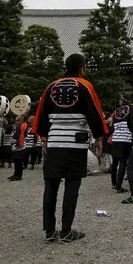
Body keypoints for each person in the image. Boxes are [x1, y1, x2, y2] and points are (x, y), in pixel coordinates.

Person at [33, 53, 108, 243]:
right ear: (82, 68)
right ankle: (66, 231)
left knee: (51, 186)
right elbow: (94, 112)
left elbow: (41, 113)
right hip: (75, 142)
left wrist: (43, 138)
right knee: (72, 186)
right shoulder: (84, 86)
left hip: (54, 140)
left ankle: (49, 231)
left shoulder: (51, 86)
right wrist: (99, 137)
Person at [109, 97, 133, 193]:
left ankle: (114, 183)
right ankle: (118, 186)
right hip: (126, 138)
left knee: (114, 162)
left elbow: (112, 124)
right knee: (123, 162)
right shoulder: (131, 109)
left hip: (116, 137)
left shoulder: (116, 111)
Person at [9, 114, 28, 181]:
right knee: (16, 161)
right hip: (16, 145)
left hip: (19, 146)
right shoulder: (18, 124)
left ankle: (18, 176)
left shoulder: (23, 125)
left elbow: (21, 136)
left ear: (22, 118)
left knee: (18, 162)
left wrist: (16, 145)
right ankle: (15, 174)